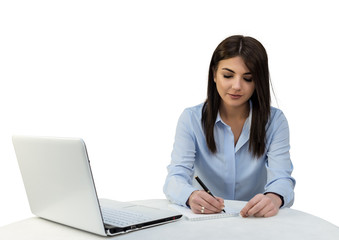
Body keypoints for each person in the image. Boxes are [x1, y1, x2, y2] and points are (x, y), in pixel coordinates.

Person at [163, 35, 296, 218]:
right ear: (214, 75)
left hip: (254, 221)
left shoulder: (275, 121)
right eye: (228, 75)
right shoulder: (191, 119)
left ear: (258, 81)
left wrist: (274, 198)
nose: (237, 86)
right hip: (205, 220)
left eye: (248, 78)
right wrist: (190, 196)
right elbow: (175, 178)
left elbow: (282, 178)